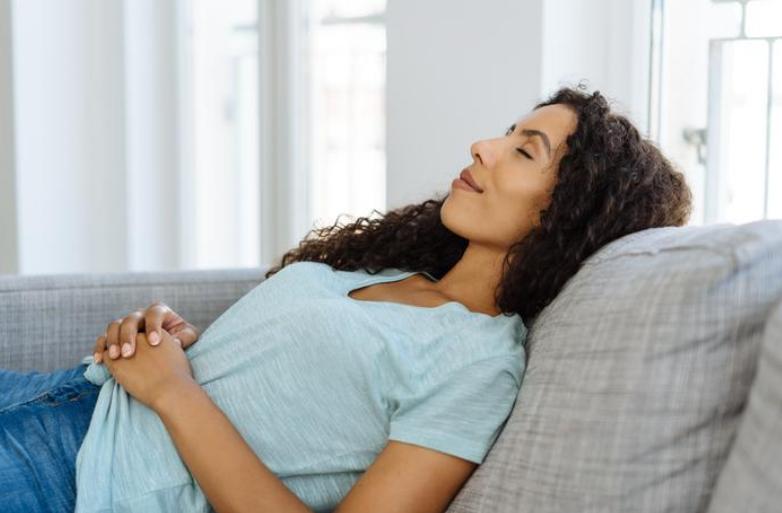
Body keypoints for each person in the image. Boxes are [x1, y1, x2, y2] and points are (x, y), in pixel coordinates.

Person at [0, 83, 692, 513]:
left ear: (566, 214)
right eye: (507, 133)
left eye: (524, 150)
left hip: (72, 475)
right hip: (65, 394)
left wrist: (176, 394)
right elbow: (276, 397)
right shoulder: (394, 270)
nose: (483, 145)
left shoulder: (480, 365)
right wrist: (176, 344)